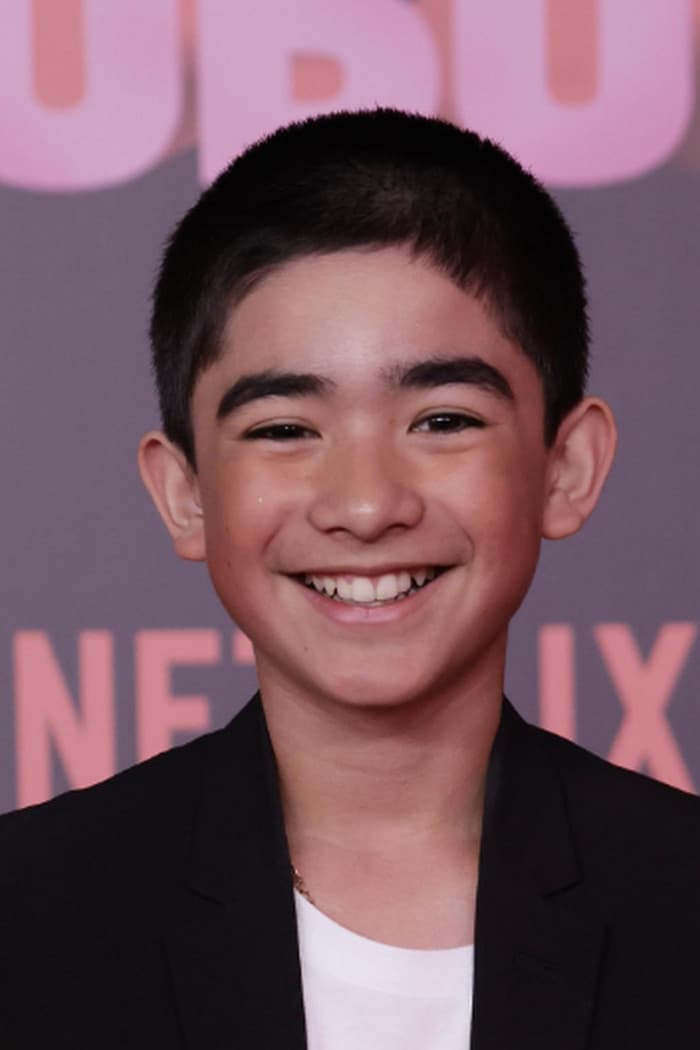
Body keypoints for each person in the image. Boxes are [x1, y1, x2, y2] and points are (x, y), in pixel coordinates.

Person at [1, 108, 698, 1050]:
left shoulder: (677, 895)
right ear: (186, 494)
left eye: (443, 420)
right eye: (285, 429)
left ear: (564, 468)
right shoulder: (31, 916)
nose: (366, 506)